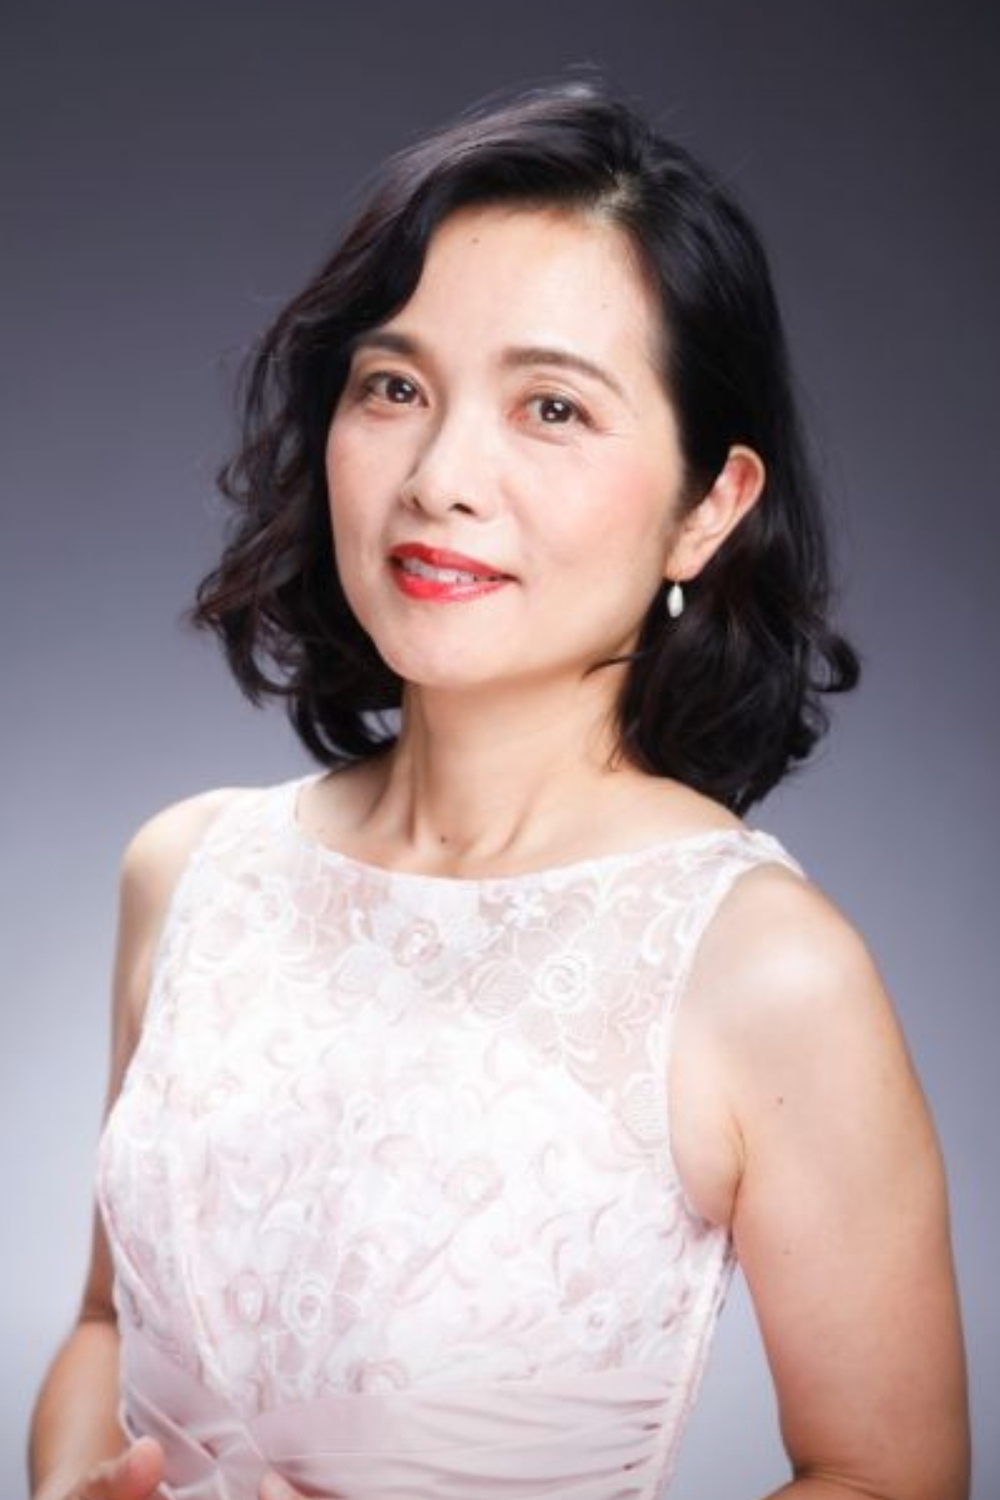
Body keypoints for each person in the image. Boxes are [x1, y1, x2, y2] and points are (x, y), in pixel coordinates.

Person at [29, 81, 969, 1500]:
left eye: (552, 408)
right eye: (395, 388)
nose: (442, 476)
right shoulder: (188, 869)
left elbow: (890, 1477)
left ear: (708, 507)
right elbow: (107, 1330)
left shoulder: (764, 968)